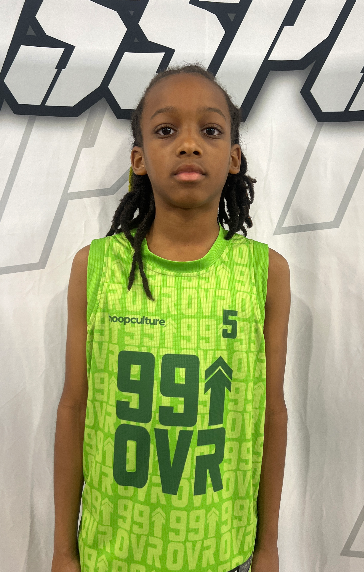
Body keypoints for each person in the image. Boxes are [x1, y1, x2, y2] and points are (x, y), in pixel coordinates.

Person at [52, 64, 290, 572]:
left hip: (223, 555)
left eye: (211, 130)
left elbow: (271, 415)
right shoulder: (95, 267)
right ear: (138, 158)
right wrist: (63, 551)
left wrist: (268, 548)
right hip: (110, 556)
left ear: (234, 158)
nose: (188, 144)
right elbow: (74, 408)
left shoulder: (264, 272)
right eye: (165, 130)